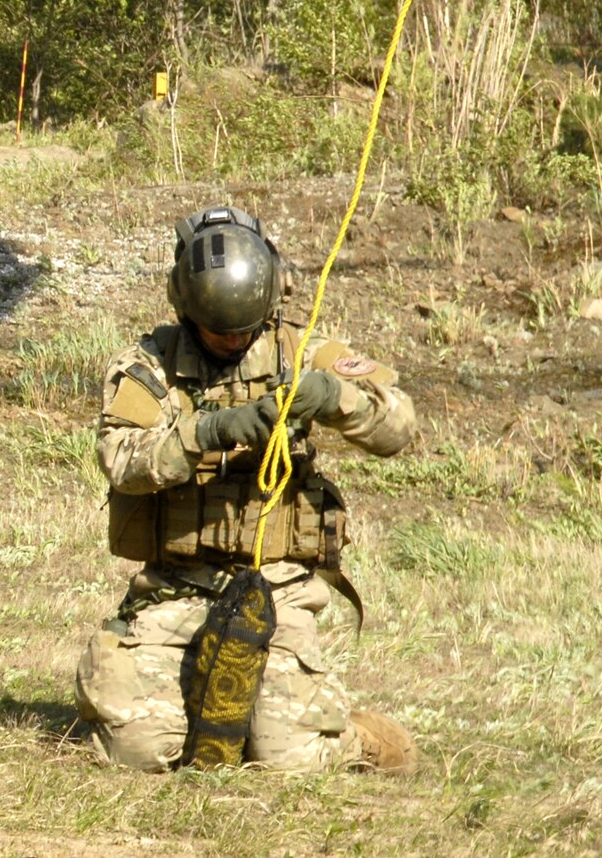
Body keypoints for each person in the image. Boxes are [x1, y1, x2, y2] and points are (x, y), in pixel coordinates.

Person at [74, 206, 418, 773]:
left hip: (277, 586)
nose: (234, 342)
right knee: (139, 749)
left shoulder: (302, 351)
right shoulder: (149, 365)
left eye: (245, 329)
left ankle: (361, 740)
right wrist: (208, 432)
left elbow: (399, 424)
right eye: (219, 332)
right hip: (175, 588)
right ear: (186, 310)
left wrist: (335, 398)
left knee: (286, 760)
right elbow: (121, 460)